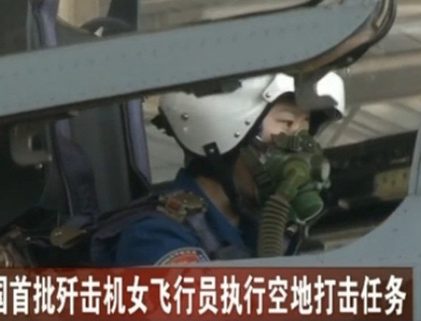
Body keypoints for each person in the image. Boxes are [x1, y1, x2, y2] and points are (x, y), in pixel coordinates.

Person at [97, 72, 345, 266]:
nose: (302, 144)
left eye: (305, 126)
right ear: (222, 129)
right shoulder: (158, 239)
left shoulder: (258, 233)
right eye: (287, 122)